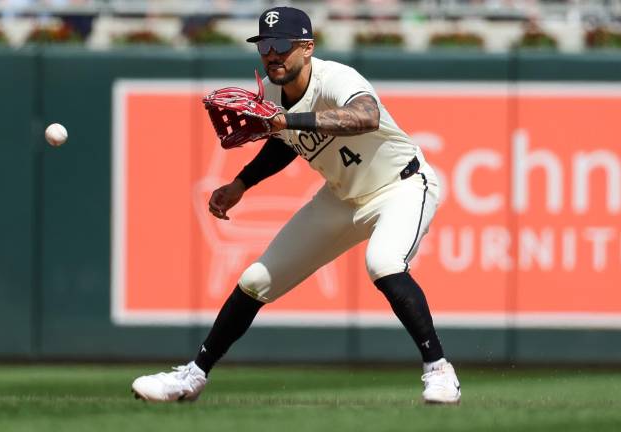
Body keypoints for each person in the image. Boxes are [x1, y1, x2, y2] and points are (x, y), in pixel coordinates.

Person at [131, 6, 461, 404]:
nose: (272, 54)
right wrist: (241, 184)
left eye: (281, 45)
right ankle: (192, 376)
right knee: (255, 280)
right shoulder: (272, 94)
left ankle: (439, 371)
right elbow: (284, 145)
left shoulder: (335, 78)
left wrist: (287, 122)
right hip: (341, 197)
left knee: (383, 263)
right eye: (264, 45)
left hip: (401, 186)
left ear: (307, 47)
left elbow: (366, 117)